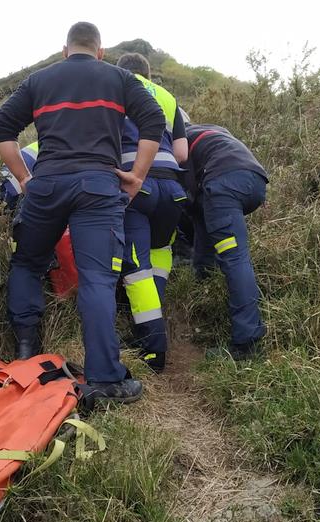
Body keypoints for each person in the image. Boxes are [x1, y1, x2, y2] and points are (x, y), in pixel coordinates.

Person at [0, 22, 165, 403]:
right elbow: (154, 120)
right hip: (98, 188)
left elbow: (1, 126)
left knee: (28, 263)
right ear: (100, 51)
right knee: (98, 279)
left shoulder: (39, 80)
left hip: (47, 184)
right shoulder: (119, 78)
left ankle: (25, 352)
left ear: (65, 50)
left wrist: (24, 178)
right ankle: (104, 380)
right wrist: (136, 176)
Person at [116, 52, 188, 372]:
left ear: (122, 72)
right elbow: (183, 152)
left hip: (136, 183)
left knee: (137, 269)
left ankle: (152, 349)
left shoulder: (117, 86)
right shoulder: (169, 97)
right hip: (172, 187)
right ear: (148, 72)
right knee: (160, 252)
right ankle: (155, 318)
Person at [182, 119, 268, 360]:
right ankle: (204, 289)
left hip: (223, 183)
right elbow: (196, 211)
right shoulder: (215, 131)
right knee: (205, 222)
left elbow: (183, 196)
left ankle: (246, 343)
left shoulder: (179, 140)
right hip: (254, 182)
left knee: (234, 258)